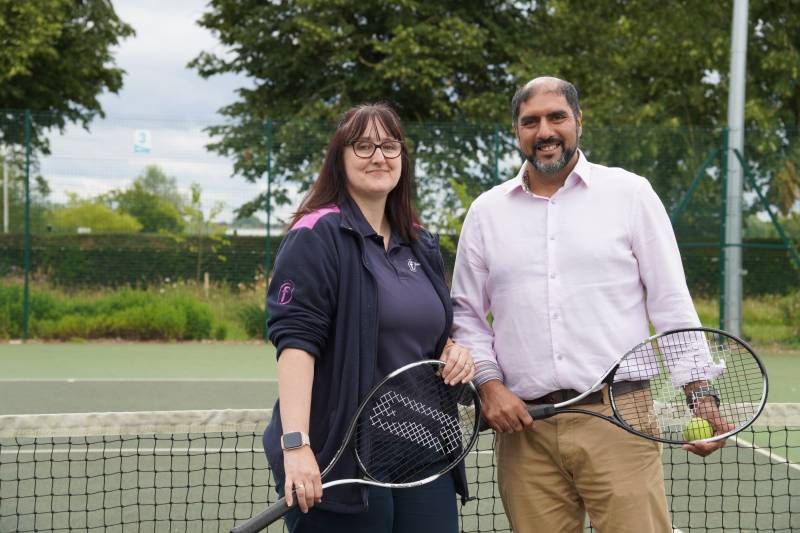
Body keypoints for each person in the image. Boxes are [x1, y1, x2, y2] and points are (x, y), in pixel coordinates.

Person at [450, 76, 727, 533]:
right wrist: (489, 386)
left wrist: (700, 393)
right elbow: (466, 316)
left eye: (556, 117)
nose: (545, 131)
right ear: (516, 131)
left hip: (618, 417)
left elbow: (671, 303)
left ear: (579, 121)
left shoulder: (630, 194)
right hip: (524, 432)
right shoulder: (485, 212)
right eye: (530, 121)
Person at [263, 102, 475, 533]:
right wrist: (296, 446)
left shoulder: (420, 241)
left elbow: (429, 334)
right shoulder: (315, 234)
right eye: (363, 146)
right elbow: (296, 345)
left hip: (423, 448)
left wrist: (455, 354)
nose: (379, 156)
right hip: (342, 456)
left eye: (389, 145)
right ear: (339, 160)